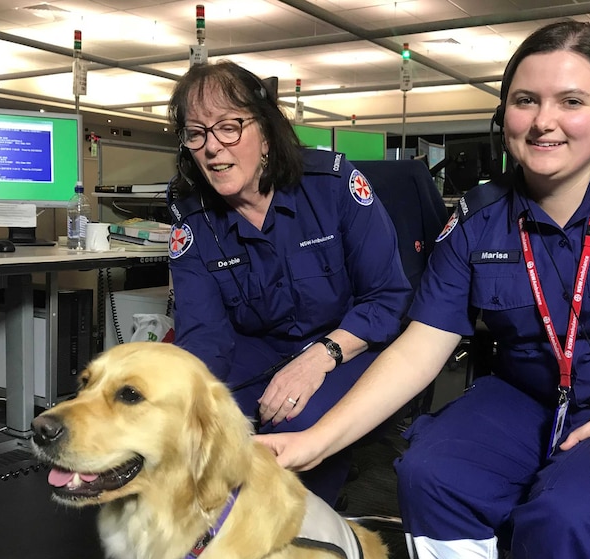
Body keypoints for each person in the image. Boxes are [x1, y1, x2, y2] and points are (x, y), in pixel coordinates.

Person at [256, 20, 590, 559]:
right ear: (504, 116)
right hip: (534, 398)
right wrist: (316, 440)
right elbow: (420, 347)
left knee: (571, 517)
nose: (544, 121)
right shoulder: (478, 218)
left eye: (572, 100)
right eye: (526, 101)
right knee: (430, 475)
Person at [165, 60, 412, 507]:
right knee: (192, 431)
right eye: (196, 133)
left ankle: (300, 543)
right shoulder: (192, 216)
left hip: (347, 342)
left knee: (293, 431)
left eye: (229, 127)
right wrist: (190, 403)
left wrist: (321, 357)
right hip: (257, 347)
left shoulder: (333, 184)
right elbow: (205, 333)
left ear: (265, 132)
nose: (212, 148)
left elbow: (387, 297)